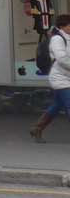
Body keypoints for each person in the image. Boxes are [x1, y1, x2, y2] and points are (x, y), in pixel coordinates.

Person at [30, 13, 70, 143]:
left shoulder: (68, 37)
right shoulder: (57, 39)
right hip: (59, 78)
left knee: (56, 105)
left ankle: (38, 128)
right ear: (62, 26)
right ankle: (38, 128)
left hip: (67, 77)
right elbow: (62, 58)